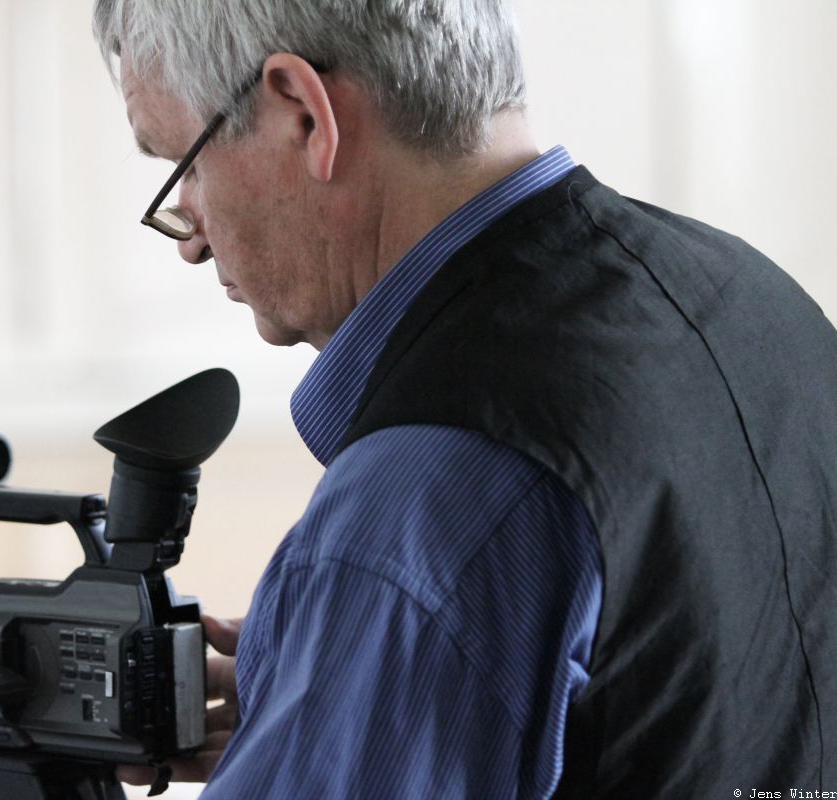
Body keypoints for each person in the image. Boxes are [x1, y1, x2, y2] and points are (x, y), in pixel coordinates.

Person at [92, 1, 837, 797]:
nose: (191, 239)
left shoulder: (422, 491)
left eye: (185, 166)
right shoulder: (760, 302)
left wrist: (369, 659)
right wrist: (344, 694)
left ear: (303, 113)